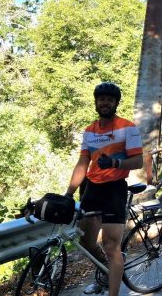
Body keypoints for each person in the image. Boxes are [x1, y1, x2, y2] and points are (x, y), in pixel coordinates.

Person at [64, 82, 144, 296]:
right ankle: (107, 271)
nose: (105, 103)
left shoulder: (127, 127)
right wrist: (69, 193)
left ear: (116, 103)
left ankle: (113, 292)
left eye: (109, 99)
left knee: (110, 246)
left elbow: (138, 161)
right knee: (86, 242)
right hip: (91, 189)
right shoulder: (89, 130)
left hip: (114, 190)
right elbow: (82, 164)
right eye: (101, 99)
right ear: (96, 102)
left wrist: (116, 164)